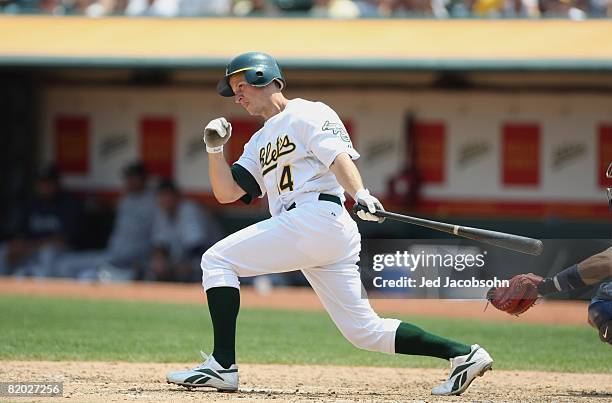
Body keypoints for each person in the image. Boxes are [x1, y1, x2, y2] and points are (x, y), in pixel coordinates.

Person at [165, 52, 493, 396]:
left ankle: (222, 365)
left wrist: (360, 192)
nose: (237, 96)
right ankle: (463, 354)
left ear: (265, 78)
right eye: (234, 89)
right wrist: (215, 150)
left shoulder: (308, 111)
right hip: (314, 229)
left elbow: (336, 155)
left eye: (241, 85)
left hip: (316, 216)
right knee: (364, 331)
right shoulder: (258, 140)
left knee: (216, 260)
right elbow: (227, 192)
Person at [54, 162, 156, 280]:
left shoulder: (153, 202)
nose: (127, 181)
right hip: (112, 254)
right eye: (127, 177)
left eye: (131, 177)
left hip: (130, 259)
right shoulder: (127, 198)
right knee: (64, 264)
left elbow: (156, 236)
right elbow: (111, 206)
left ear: (141, 179)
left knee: (83, 275)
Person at [148, 179, 221, 282]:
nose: (164, 200)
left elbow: (196, 247)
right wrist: (159, 259)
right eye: (161, 196)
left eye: (167, 195)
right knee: (157, 265)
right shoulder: (162, 213)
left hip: (210, 257)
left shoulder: (189, 210)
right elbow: (160, 243)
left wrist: (179, 265)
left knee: (185, 268)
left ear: (176, 196)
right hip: (184, 257)